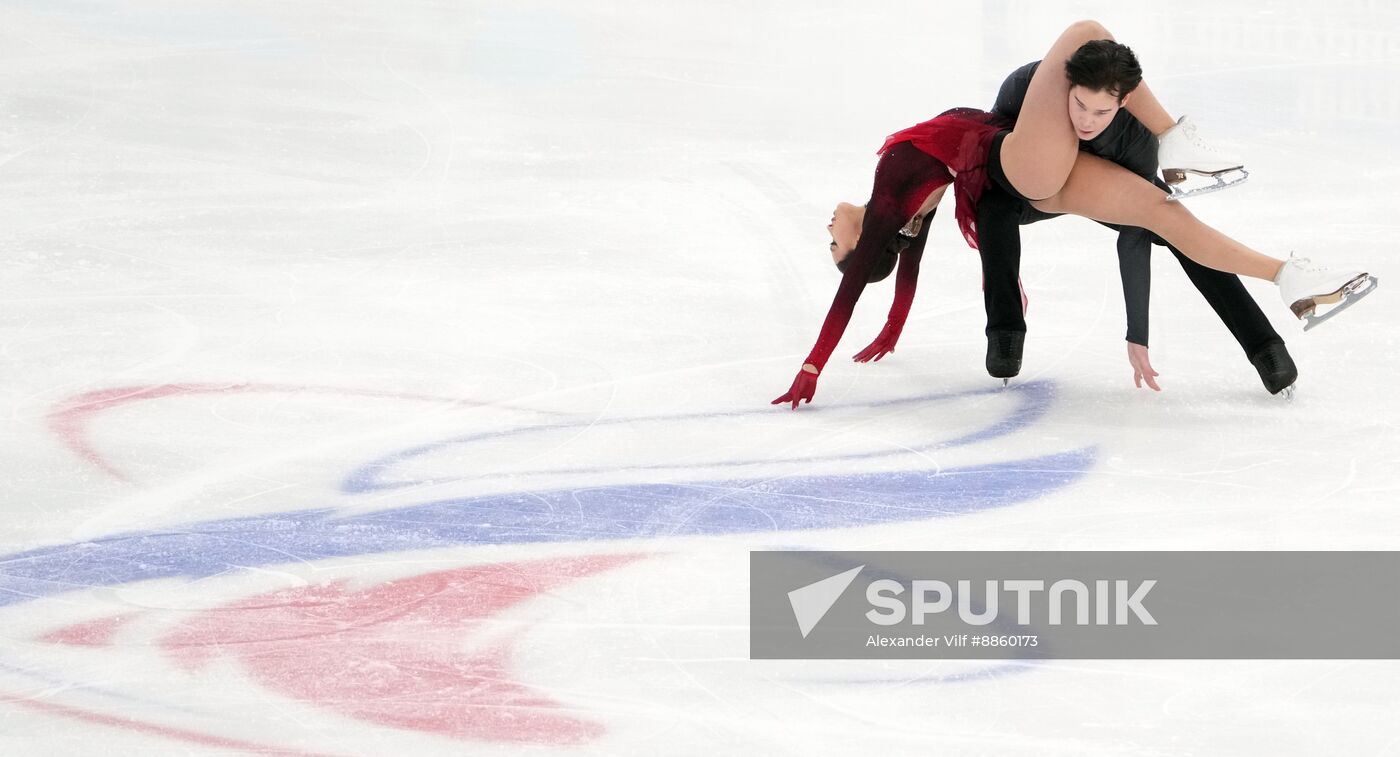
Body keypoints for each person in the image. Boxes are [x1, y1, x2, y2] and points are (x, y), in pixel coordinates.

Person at [774, 20, 1375, 409]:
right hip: (1019, 163)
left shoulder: (907, 213)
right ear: (865, 241)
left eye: (829, 242)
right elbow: (859, 285)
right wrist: (812, 365)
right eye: (834, 244)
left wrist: (889, 333)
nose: (828, 230)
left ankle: (1283, 292)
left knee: (1165, 221)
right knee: (1086, 34)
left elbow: (902, 281)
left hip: (1043, 175)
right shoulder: (889, 198)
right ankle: (1177, 140)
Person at [976, 59, 1297, 397]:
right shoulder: (1024, 90)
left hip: (1106, 185)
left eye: (1102, 113)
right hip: (1036, 187)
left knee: (1181, 231)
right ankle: (1005, 332)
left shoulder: (1137, 140)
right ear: (1067, 87)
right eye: (1081, 106)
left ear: (1123, 103)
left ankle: (1264, 346)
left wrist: (1138, 334)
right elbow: (991, 149)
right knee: (993, 209)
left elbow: (1135, 234)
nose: (1086, 121)